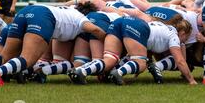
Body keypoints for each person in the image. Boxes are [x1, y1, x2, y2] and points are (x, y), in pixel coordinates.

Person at [0, 3, 107, 86]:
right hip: (42, 16)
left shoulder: (68, 10)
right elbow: (95, 30)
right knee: (27, 59)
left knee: (5, 57)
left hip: (25, 11)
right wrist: (107, 41)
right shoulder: (82, 18)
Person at [68, 16, 197, 85]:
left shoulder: (163, 27)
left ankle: (80, 71)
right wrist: (191, 80)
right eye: (186, 37)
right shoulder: (173, 35)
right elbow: (180, 60)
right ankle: (117, 73)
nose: (184, 41)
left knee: (110, 59)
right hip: (137, 26)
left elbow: (148, 48)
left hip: (121, 21)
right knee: (141, 64)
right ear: (183, 32)